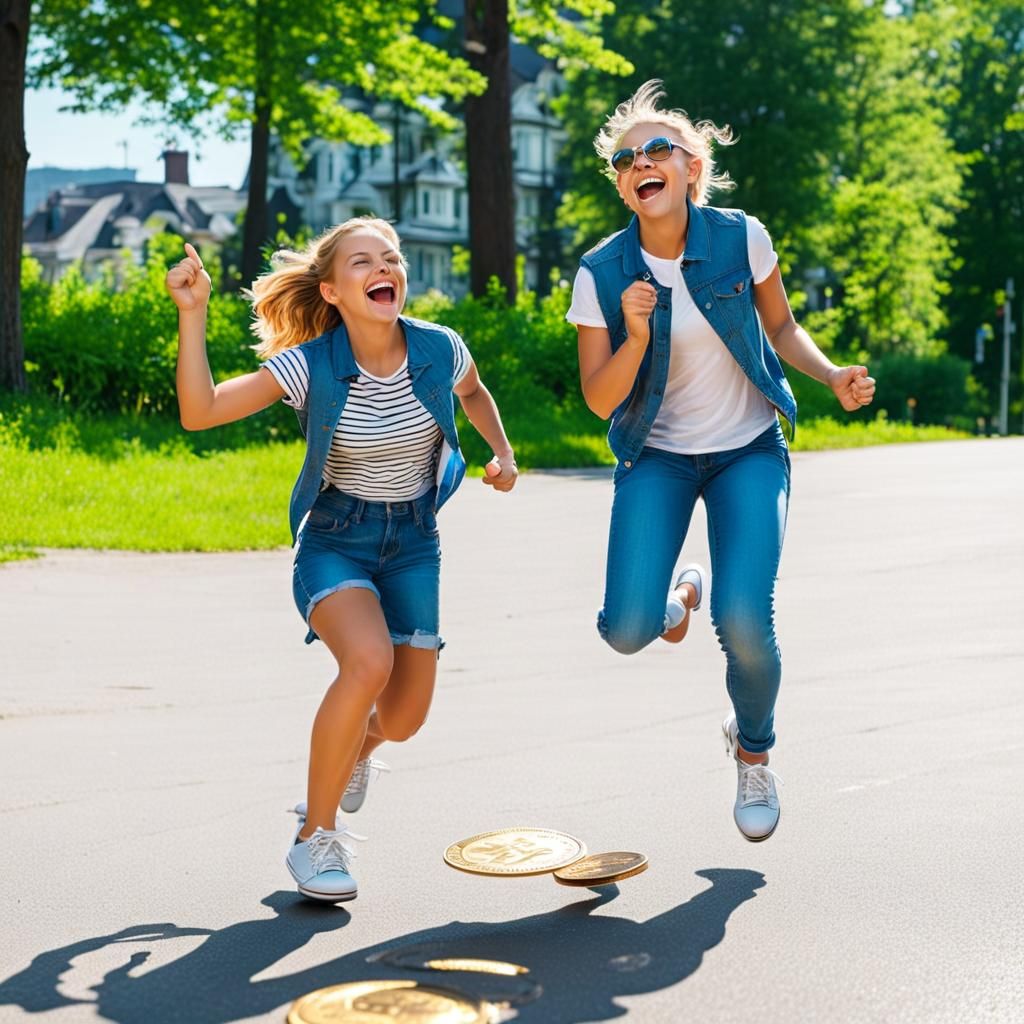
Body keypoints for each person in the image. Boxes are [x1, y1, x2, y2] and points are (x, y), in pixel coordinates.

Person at [165, 217, 517, 900]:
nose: (384, 267)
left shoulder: (440, 349)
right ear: (330, 290)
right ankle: (313, 839)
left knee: (406, 719)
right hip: (335, 540)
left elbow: (472, 392)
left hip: (414, 542)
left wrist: (501, 454)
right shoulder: (312, 364)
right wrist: (193, 313)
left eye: (390, 258)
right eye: (362, 261)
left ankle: (352, 753)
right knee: (368, 664)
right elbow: (200, 411)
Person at [566, 81, 874, 842]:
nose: (641, 161)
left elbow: (782, 327)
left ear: (692, 167)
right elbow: (602, 401)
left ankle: (754, 748)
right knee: (627, 630)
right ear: (622, 184)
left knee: (746, 619)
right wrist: (635, 337)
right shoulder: (601, 274)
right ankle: (676, 601)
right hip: (658, 459)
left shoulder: (742, 238)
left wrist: (830, 375)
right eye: (625, 158)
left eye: (657, 149)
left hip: (747, 452)